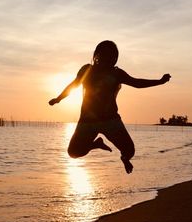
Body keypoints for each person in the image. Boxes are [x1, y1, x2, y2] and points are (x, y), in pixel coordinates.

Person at [49, 40, 171, 173]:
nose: (108, 58)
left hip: (111, 120)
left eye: (112, 56)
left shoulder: (117, 73)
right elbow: (73, 85)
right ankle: (96, 144)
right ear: (97, 55)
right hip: (87, 121)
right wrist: (58, 99)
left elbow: (137, 83)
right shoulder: (87, 70)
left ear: (115, 58)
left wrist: (159, 82)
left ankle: (124, 158)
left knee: (130, 151)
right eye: (105, 54)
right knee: (73, 152)